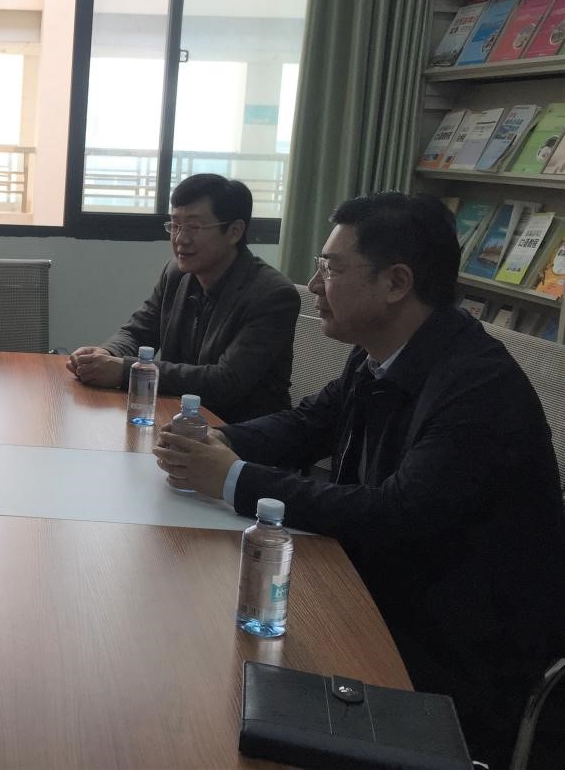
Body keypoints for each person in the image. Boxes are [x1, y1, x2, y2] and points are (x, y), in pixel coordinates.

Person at [154, 192, 565, 767]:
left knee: (213, 696)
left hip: (454, 655)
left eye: (331, 268)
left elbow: (392, 515)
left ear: (396, 283)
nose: (313, 286)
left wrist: (234, 478)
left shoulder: (477, 388)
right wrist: (222, 442)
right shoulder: (382, 350)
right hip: (380, 592)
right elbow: (308, 425)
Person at [67, 173, 299, 423]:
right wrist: (104, 354)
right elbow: (137, 331)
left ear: (234, 232)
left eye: (194, 227)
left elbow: (225, 382)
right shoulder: (177, 274)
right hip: (176, 419)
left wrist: (125, 371)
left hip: (239, 432)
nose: (180, 239)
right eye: (175, 225)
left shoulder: (272, 295)